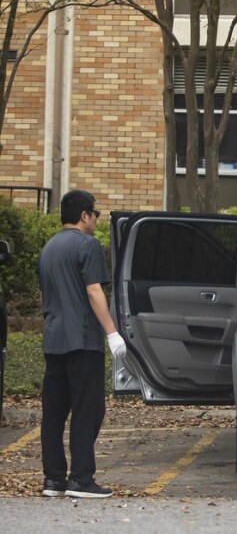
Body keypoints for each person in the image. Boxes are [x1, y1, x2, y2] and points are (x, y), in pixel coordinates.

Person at [37, 190, 126, 499]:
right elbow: (94, 292)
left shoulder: (48, 248)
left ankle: (53, 480)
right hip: (83, 340)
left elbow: (45, 296)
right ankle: (82, 480)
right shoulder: (87, 245)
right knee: (88, 410)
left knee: (54, 413)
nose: (96, 220)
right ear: (84, 215)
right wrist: (112, 333)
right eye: (95, 214)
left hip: (54, 339)